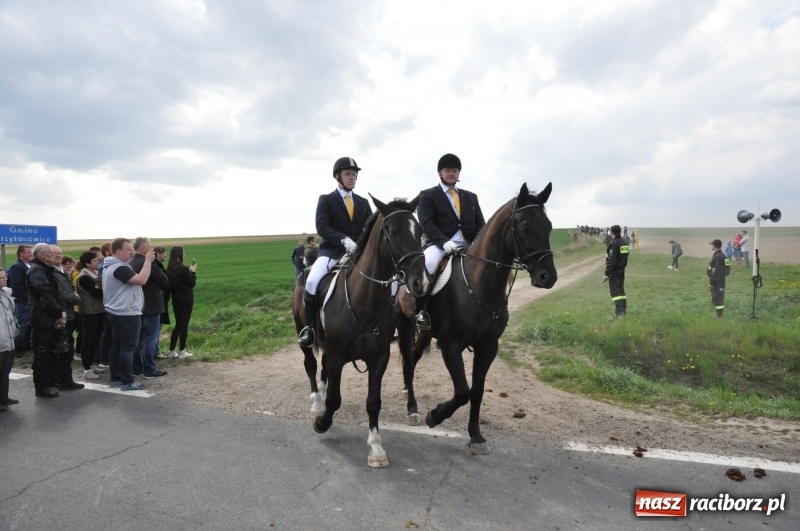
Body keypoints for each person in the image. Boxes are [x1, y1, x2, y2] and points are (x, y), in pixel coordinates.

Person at [297, 156, 372, 347]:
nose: (352, 177)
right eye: (348, 174)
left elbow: (370, 228)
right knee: (312, 280)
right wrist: (343, 240)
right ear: (337, 176)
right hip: (332, 252)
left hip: (358, 253)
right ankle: (310, 328)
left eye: (354, 174)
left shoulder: (363, 202)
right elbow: (321, 227)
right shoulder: (327, 200)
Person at [414, 153, 486, 329]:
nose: (451, 174)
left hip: (469, 245)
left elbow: (480, 225)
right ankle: (422, 311)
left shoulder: (471, 197)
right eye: (447, 171)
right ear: (440, 173)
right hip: (440, 245)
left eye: (454, 171)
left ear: (459, 173)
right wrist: (443, 242)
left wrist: (480, 244)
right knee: (428, 264)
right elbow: (426, 223)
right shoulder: (428, 195)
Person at [103, 238, 154, 391]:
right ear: (118, 251)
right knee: (128, 347)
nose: (131, 252)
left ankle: (117, 377)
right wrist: (148, 261)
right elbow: (142, 280)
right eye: (128, 249)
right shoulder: (119, 268)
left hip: (115, 311)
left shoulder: (111, 266)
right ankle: (127, 381)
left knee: (117, 345)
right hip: (126, 313)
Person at [24, 243, 67, 398]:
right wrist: (58, 314)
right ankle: (42, 388)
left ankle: (51, 382)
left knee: (52, 351)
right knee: (42, 354)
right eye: (50, 253)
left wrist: (60, 312)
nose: (54, 255)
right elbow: (45, 295)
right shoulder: (36, 271)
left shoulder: (46, 269)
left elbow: (56, 294)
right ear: (42, 255)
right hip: (42, 319)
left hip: (49, 317)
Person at [129, 238, 169, 378]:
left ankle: (136, 368)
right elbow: (164, 281)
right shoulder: (147, 263)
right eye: (149, 246)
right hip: (152, 304)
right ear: (142, 249)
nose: (151, 249)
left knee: (138, 339)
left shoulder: (130, 263)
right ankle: (149, 369)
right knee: (150, 339)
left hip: (136, 305)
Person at [50, 246, 84, 391]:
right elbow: (62, 294)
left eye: (59, 253)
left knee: (67, 348)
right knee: (62, 349)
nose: (58, 256)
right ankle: (62, 381)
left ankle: (63, 379)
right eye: (54, 254)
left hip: (68, 315)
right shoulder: (51, 272)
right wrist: (75, 298)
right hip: (61, 315)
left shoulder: (61, 270)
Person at [75, 251, 106, 380]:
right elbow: (98, 293)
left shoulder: (95, 274)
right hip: (89, 312)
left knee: (97, 338)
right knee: (89, 340)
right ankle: (87, 369)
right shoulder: (84, 277)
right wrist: (101, 289)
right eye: (94, 261)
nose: (97, 262)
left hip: (98, 310)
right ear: (87, 263)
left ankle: (92, 364)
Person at [166, 246, 197, 358]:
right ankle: (182, 351)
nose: (185, 254)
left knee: (178, 324)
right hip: (186, 298)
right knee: (184, 325)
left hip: (175, 298)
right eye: (183, 252)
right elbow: (191, 283)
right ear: (179, 254)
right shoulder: (183, 268)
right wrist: (192, 272)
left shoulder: (170, 268)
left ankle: (171, 351)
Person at [7, 245, 33, 356]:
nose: (31, 254)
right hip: (23, 302)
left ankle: (26, 345)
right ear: (21, 254)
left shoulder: (29, 265)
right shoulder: (16, 267)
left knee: (29, 325)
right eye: (29, 252)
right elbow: (17, 285)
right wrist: (27, 299)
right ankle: (18, 349)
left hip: (29, 301)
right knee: (22, 326)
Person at [0, 268, 20, 410]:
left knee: (5, 371)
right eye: (1, 277)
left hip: (8, 339)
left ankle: (3, 397)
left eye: (4, 276)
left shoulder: (5, 293)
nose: (5, 279)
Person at [603, 225, 629, 318]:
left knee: (615, 292)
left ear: (611, 232)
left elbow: (612, 260)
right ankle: (623, 311)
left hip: (614, 271)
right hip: (622, 270)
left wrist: (606, 273)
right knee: (621, 290)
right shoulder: (624, 243)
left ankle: (619, 314)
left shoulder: (614, 244)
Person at [152, 246, 170, 360]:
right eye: (164, 253)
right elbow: (164, 281)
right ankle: (154, 352)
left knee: (156, 328)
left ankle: (155, 351)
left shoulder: (158, 266)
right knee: (155, 329)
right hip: (156, 303)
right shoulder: (155, 266)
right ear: (158, 254)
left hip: (160, 301)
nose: (166, 255)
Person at [707, 239, 730, 317]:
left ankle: (719, 316)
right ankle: (719, 315)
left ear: (714, 246)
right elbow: (727, 270)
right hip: (721, 280)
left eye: (712, 245)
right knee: (719, 298)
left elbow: (716, 271)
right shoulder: (724, 256)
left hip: (717, 282)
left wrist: (712, 283)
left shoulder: (717, 257)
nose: (712, 246)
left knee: (718, 299)